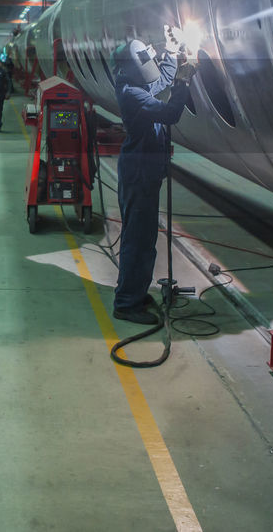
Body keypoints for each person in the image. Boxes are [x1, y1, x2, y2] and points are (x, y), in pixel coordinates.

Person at [110, 27, 196, 324]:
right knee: (138, 239)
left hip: (142, 169)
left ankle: (134, 291)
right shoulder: (132, 94)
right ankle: (126, 303)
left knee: (144, 239)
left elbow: (158, 81)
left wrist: (171, 55)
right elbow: (170, 113)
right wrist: (184, 81)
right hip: (139, 173)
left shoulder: (131, 82)